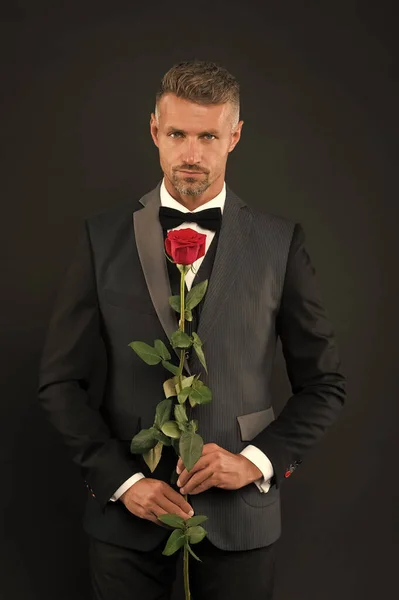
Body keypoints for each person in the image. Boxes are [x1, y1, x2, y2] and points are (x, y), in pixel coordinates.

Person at [37, 60, 347, 600]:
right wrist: (123, 482)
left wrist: (254, 462)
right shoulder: (100, 238)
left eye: (208, 136)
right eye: (177, 133)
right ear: (154, 130)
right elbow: (59, 383)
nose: (191, 154)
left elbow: (325, 385)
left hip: (242, 526)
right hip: (126, 527)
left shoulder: (280, 243)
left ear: (235, 136)